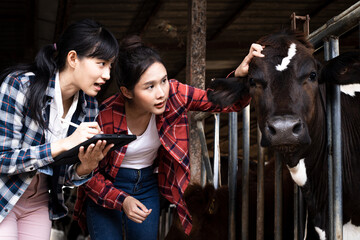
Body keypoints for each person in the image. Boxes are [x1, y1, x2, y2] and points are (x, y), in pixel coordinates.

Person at [74, 35, 264, 240]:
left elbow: (218, 102)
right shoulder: (105, 116)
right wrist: (123, 200)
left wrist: (241, 75)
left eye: (163, 81)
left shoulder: (174, 93)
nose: (161, 93)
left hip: (146, 186)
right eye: (149, 86)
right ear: (127, 92)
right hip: (107, 187)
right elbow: (87, 174)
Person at [0, 19, 119, 240]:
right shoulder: (20, 86)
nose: (108, 75)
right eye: (101, 63)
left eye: (110, 66)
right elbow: (3, 160)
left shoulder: (89, 106)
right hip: (4, 195)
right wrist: (64, 144)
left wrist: (85, 167)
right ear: (73, 58)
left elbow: (63, 177)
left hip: (38, 202)